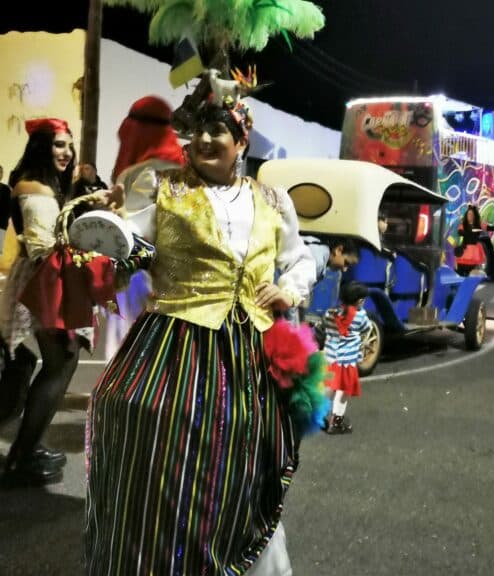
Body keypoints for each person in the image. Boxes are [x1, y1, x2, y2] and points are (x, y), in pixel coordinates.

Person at [85, 78, 319, 575]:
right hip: (175, 347)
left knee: (241, 463)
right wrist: (107, 223)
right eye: (199, 131)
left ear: (242, 141)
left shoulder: (274, 201)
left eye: (220, 130)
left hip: (249, 354)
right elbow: (134, 245)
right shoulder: (165, 192)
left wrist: (289, 289)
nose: (207, 140)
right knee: (168, 459)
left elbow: (300, 259)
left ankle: (234, 557)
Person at [0, 118, 103, 486]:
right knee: (61, 361)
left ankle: (27, 447)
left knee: (58, 360)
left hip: (45, 278)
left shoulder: (41, 184)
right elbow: (45, 246)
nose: (67, 152)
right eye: (59, 144)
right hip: (44, 281)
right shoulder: (36, 189)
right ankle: (23, 454)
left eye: (69, 145)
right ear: (41, 145)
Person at [102, 95, 185, 359]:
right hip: (178, 276)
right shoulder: (186, 170)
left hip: (138, 274)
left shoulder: (142, 174)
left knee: (127, 352)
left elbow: (135, 231)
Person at [323, 281, 371, 434]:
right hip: (346, 362)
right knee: (342, 393)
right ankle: (336, 423)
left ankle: (320, 417)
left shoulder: (330, 312)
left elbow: (323, 326)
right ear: (360, 301)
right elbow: (367, 328)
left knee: (328, 390)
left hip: (329, 358)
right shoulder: (360, 316)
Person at [455, 204, 494, 275]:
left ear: (474, 216)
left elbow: (489, 228)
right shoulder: (464, 224)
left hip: (474, 251)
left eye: (471, 214)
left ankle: (468, 282)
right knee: (461, 271)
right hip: (465, 250)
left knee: (471, 272)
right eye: (468, 214)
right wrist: (467, 232)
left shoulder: (479, 224)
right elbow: (460, 232)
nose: (469, 216)